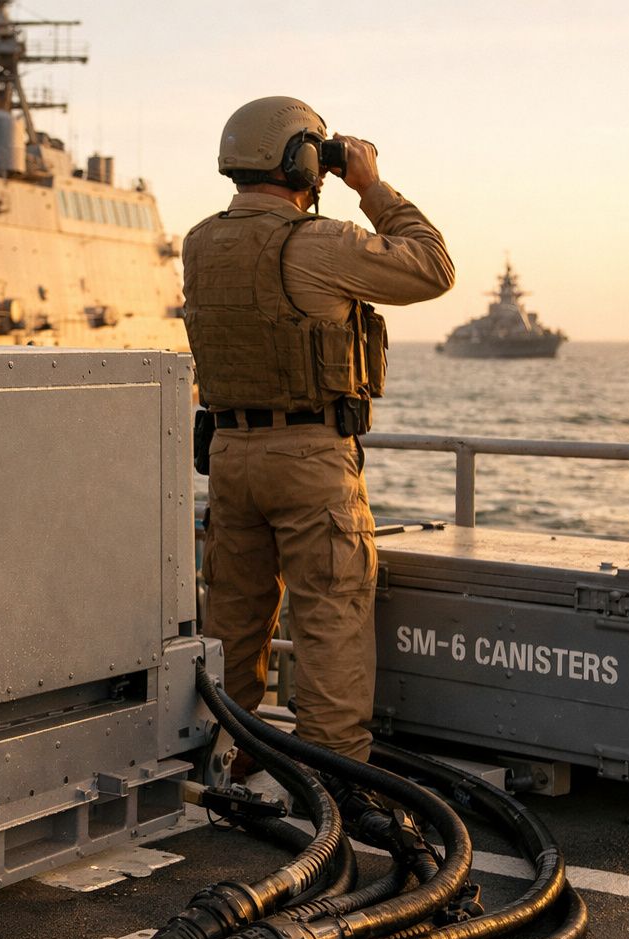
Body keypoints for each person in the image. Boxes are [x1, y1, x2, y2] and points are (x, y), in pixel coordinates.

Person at [183, 96, 454, 764]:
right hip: (309, 457)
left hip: (229, 455)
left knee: (233, 619)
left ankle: (225, 758)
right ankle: (336, 778)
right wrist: (370, 185)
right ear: (303, 159)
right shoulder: (321, 243)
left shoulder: (199, 241)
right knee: (331, 616)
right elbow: (433, 268)